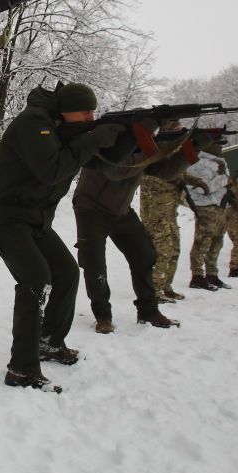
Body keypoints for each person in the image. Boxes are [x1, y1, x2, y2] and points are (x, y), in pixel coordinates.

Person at [0, 82, 125, 392]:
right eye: (85, 111)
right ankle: (22, 369)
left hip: (34, 219)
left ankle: (49, 342)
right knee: (35, 279)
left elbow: (100, 163)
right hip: (5, 217)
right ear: (66, 109)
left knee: (66, 273)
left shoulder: (62, 127)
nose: (90, 117)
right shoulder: (33, 123)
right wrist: (95, 137)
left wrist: (132, 138)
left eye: (93, 112)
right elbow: (52, 169)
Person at [72, 124, 200, 333]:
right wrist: (151, 151)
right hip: (91, 211)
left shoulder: (142, 149)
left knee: (144, 255)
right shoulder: (107, 143)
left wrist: (192, 148)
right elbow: (117, 170)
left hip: (121, 211)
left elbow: (166, 171)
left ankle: (148, 311)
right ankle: (103, 315)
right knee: (94, 264)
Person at [138, 121, 210, 303]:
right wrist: (177, 181)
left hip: (169, 213)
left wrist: (194, 180)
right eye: (176, 128)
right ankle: (154, 290)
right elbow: (154, 177)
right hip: (155, 215)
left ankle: (165, 285)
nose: (180, 130)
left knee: (174, 249)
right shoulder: (152, 153)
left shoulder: (169, 154)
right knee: (162, 252)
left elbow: (176, 173)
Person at [185, 137, 232, 290]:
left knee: (217, 241)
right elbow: (201, 188)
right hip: (205, 206)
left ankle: (212, 274)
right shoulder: (196, 161)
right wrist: (223, 179)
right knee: (203, 241)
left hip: (219, 205)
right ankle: (197, 276)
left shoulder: (219, 162)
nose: (220, 146)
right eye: (217, 143)